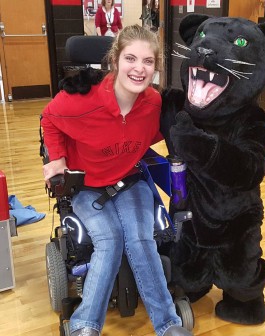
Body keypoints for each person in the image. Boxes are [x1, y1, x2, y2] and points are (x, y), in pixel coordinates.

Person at [42, 25, 193, 336]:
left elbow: (160, 134)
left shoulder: (152, 103)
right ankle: (85, 325)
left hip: (130, 182)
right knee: (109, 242)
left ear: (156, 68)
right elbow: (49, 119)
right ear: (115, 60)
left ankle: (168, 325)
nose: (139, 69)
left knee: (141, 240)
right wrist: (57, 158)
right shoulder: (81, 101)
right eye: (131, 58)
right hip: (87, 186)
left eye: (148, 62)